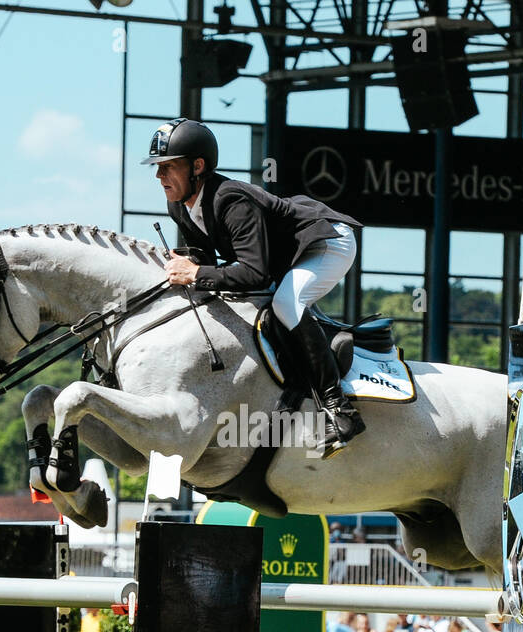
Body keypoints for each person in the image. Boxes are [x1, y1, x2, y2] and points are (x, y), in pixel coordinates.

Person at [142, 117, 366, 458]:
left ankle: (340, 409)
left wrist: (196, 271)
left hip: (325, 242)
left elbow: (254, 275)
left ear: (197, 166)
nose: (159, 177)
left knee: (286, 304)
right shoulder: (180, 206)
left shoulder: (231, 200)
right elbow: (207, 264)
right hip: (285, 256)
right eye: (158, 168)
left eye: (168, 167)